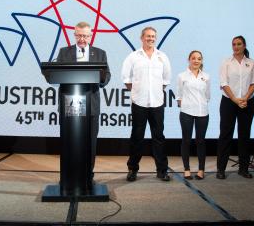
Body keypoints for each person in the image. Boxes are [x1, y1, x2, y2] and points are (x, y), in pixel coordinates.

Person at [56, 21, 111, 182]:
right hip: (69, 103)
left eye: (85, 36)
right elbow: (58, 74)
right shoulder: (64, 52)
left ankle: (88, 174)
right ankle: (67, 175)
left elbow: (107, 75)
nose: (82, 39)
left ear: (91, 36)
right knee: (68, 142)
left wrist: (100, 80)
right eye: (79, 35)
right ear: (74, 35)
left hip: (91, 104)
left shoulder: (100, 53)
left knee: (90, 142)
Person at [121, 26, 171, 182]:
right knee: (137, 137)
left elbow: (165, 80)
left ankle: (162, 170)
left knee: (159, 137)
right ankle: (132, 169)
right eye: (148, 36)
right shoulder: (133, 57)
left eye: (153, 36)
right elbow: (126, 79)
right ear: (142, 38)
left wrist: (154, 92)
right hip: (139, 103)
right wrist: (138, 92)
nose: (151, 38)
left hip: (157, 103)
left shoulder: (162, 57)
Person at [216, 35, 254, 179]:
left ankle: (243, 168)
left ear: (244, 46)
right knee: (225, 135)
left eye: (239, 44)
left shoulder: (252, 63)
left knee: (244, 136)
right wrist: (235, 99)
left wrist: (245, 98)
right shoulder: (226, 62)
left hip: (247, 102)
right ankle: (221, 169)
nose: (236, 46)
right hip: (229, 102)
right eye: (234, 44)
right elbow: (223, 83)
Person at [176, 50, 210, 180]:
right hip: (186, 112)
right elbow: (179, 96)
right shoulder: (182, 76)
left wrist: (200, 104)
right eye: (194, 58)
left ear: (201, 61)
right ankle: (187, 169)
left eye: (199, 59)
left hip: (203, 112)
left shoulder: (206, 76)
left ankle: (201, 170)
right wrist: (187, 106)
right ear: (189, 59)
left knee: (201, 141)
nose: (196, 61)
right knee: (186, 140)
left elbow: (208, 96)